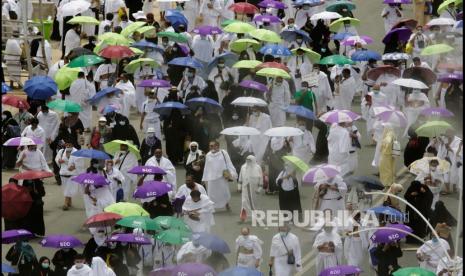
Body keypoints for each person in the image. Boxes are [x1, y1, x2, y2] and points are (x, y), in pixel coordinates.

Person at [202, 140, 237, 210]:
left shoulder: (223, 153)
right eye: (210, 146)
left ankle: (226, 203)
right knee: (211, 193)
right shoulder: (208, 155)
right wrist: (204, 178)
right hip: (212, 177)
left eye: (212, 146)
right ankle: (211, 206)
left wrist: (232, 172)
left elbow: (228, 162)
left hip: (222, 176)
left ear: (217, 146)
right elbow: (206, 167)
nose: (210, 147)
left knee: (224, 192)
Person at [55, 140, 85, 210]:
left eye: (69, 145)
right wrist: (59, 161)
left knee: (68, 188)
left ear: (72, 144)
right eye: (67, 145)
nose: (68, 146)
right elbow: (57, 158)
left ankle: (65, 203)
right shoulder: (61, 151)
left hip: (72, 173)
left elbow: (80, 163)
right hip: (63, 173)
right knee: (66, 188)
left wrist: (74, 166)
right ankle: (69, 201)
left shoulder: (77, 152)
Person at [238, 155, 263, 222]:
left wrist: (259, 188)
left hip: (254, 189)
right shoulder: (243, 167)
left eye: (250, 160)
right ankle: (243, 217)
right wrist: (239, 187)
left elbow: (261, 178)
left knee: (254, 204)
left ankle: (256, 217)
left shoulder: (258, 167)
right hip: (245, 188)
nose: (248, 161)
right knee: (244, 202)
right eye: (247, 160)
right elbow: (240, 177)